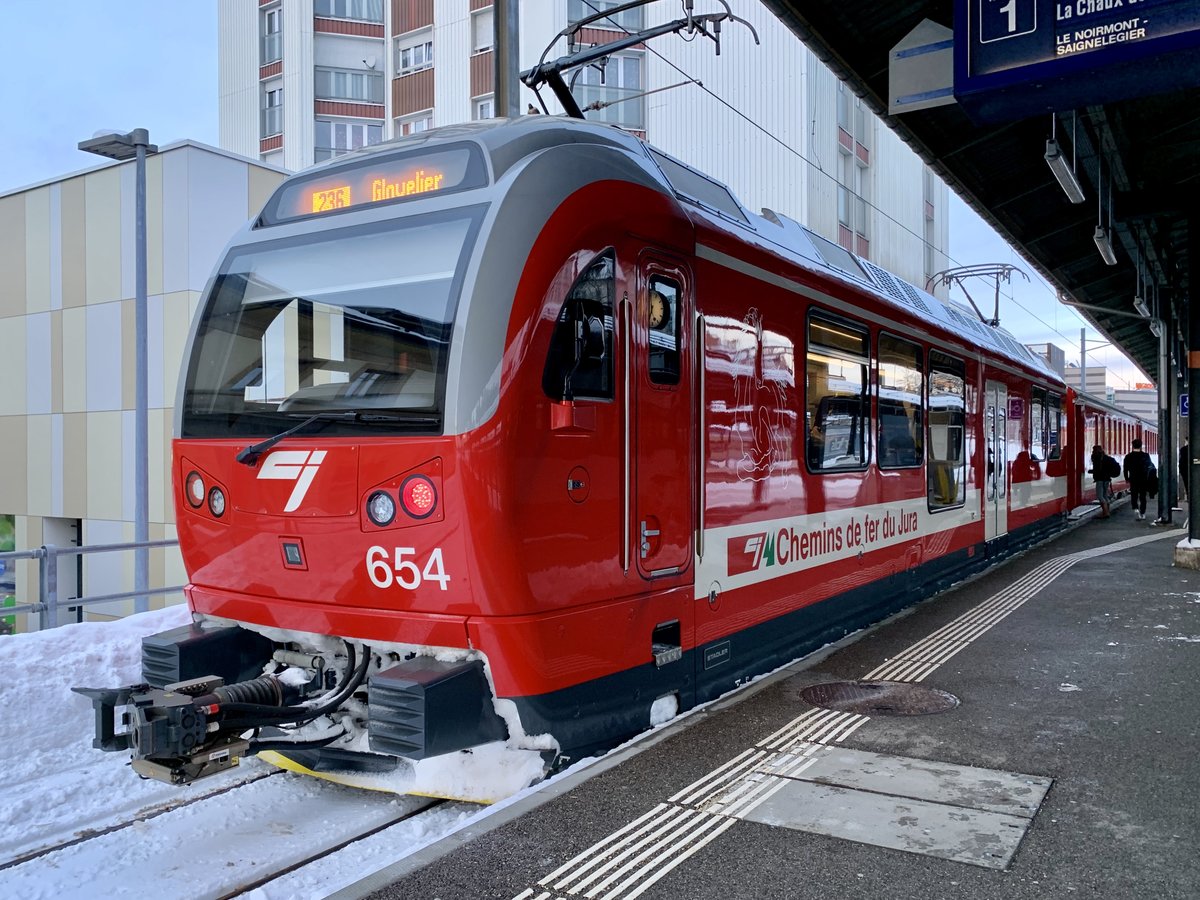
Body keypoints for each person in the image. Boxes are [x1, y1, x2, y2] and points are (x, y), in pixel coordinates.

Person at [1123, 439, 1153, 520]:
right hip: (1143, 478)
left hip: (1133, 478)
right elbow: (1149, 466)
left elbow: (1125, 469)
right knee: (1143, 496)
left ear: (1132, 446)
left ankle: (1135, 508)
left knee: (1134, 494)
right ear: (1141, 446)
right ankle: (1143, 513)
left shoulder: (1128, 456)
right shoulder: (1145, 455)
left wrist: (1126, 478)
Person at [1090, 444, 1112, 518]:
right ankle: (1107, 511)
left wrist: (1092, 471)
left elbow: (1097, 470)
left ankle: (1105, 512)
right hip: (1107, 479)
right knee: (1105, 495)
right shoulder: (1106, 457)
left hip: (1100, 479)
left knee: (1100, 496)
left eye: (1093, 450)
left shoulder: (1096, 458)